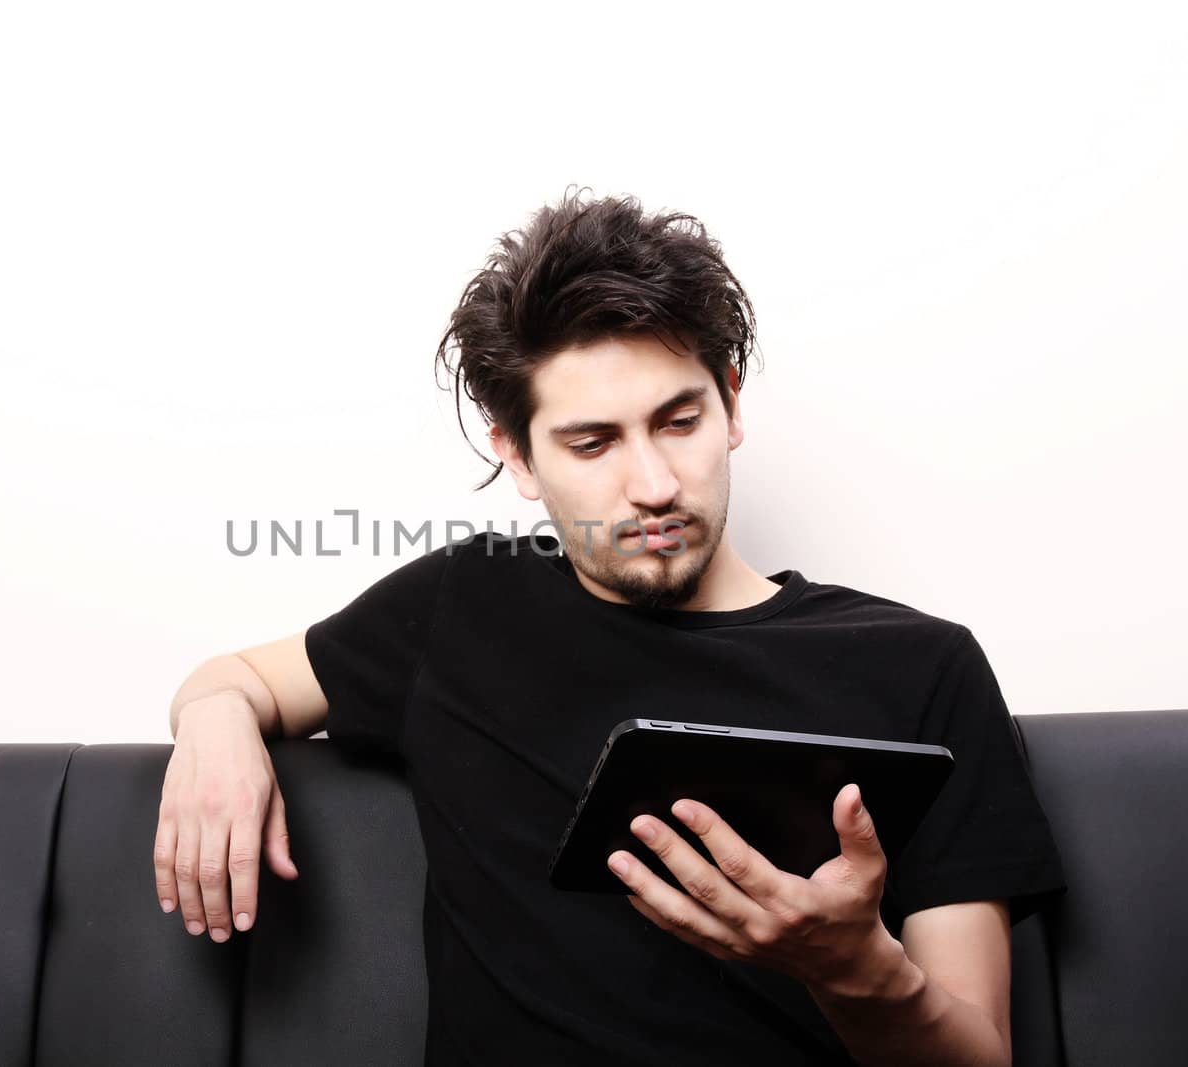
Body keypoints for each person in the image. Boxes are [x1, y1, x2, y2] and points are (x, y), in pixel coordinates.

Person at [154, 188, 1067, 1066]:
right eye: (592, 443)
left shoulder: (920, 665)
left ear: (733, 403)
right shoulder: (463, 605)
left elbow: (978, 1053)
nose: (655, 484)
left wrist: (856, 970)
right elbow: (238, 676)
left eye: (680, 421)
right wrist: (214, 720)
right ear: (515, 452)